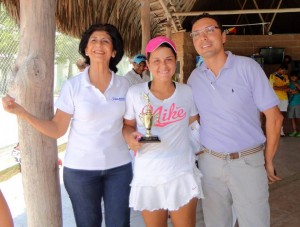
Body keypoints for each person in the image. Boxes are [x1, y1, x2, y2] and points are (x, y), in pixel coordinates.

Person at [2, 23, 132, 227]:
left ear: (114, 51)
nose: (99, 45)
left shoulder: (124, 86)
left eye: (106, 41)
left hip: (119, 168)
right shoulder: (73, 86)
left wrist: (135, 136)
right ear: (87, 50)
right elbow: (57, 129)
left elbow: (128, 124)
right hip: (80, 171)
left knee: (120, 223)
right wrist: (22, 112)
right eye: (94, 41)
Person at [187, 14, 283, 227]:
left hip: (247, 162)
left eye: (209, 30)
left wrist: (267, 160)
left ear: (223, 37)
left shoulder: (247, 67)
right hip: (210, 163)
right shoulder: (194, 78)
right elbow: (192, 121)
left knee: (255, 222)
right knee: (216, 223)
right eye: (196, 34)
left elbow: (274, 117)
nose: (203, 37)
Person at [122, 36, 204, 227]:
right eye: (156, 61)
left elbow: (194, 123)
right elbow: (128, 125)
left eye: (168, 59)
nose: (163, 66)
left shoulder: (186, 92)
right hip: (149, 173)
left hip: (182, 171)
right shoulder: (135, 93)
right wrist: (129, 138)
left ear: (175, 62)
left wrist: (199, 147)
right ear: (148, 64)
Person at [269, 64, 290, 136]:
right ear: (280, 68)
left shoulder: (285, 76)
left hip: (284, 98)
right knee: (274, 114)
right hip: (275, 98)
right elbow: (272, 87)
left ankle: (281, 131)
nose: (284, 71)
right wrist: (282, 88)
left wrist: (279, 87)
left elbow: (287, 86)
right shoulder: (273, 75)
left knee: (282, 115)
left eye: (285, 70)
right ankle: (274, 131)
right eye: (283, 70)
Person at [287, 70, 300, 137]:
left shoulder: (298, 82)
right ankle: (294, 131)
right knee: (292, 117)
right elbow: (288, 91)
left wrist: (297, 85)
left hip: (298, 102)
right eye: (292, 77)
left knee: (298, 117)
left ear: (297, 77)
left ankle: (299, 131)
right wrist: (292, 92)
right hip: (291, 102)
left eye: (294, 76)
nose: (293, 78)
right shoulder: (289, 83)